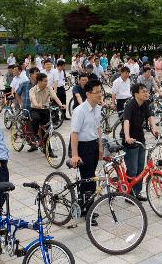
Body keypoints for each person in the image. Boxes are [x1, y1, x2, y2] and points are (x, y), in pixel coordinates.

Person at [70, 79, 103, 220]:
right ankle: (87, 210)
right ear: (88, 94)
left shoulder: (98, 108)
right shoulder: (80, 111)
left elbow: (98, 128)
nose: (100, 94)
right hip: (82, 147)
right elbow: (74, 134)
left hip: (93, 145)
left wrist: (100, 146)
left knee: (91, 177)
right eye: (97, 92)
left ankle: (86, 205)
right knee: (87, 178)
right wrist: (75, 155)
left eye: (101, 91)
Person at [123, 83, 159, 200]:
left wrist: (154, 129)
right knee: (132, 169)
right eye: (143, 91)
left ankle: (137, 193)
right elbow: (126, 121)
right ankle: (129, 194)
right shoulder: (130, 105)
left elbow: (150, 117)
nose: (146, 93)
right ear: (136, 94)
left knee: (140, 168)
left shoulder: (145, 104)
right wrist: (127, 137)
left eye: (146, 91)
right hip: (130, 141)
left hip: (140, 139)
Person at [29, 73, 66, 144]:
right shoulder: (32, 90)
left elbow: (55, 97)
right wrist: (37, 105)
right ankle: (36, 135)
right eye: (45, 81)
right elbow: (33, 98)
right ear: (39, 81)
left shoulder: (49, 88)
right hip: (35, 110)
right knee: (35, 119)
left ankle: (48, 150)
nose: (47, 83)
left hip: (45, 110)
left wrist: (61, 105)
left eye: (47, 81)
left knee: (47, 131)